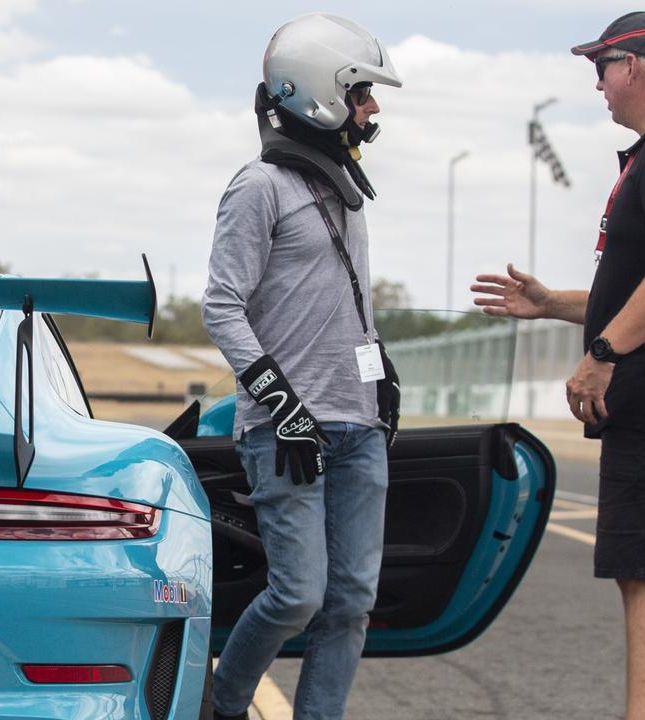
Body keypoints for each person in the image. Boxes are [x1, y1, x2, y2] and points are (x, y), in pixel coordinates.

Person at [472, 11, 645, 719]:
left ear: (630, 67)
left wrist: (602, 354)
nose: (597, 86)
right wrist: (556, 304)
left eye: (600, 69)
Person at [202, 13, 402, 720]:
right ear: (320, 91)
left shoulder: (345, 191)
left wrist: (383, 375)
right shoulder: (258, 187)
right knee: (299, 595)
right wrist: (280, 403)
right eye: (363, 93)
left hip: (358, 427)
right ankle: (226, 700)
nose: (373, 109)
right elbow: (221, 306)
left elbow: (337, 304)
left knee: (351, 603)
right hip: (286, 431)